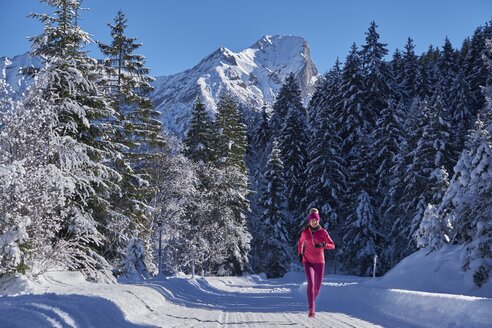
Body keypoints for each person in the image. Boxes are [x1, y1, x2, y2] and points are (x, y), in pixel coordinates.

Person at [297, 208, 335, 318]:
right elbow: (300, 243)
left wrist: (324, 245)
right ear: (310, 221)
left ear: (319, 221)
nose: (315, 222)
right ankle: (311, 309)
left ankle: (312, 301)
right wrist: (300, 253)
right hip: (307, 261)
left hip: (320, 262)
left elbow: (332, 245)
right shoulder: (305, 232)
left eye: (317, 220)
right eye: (313, 220)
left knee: (317, 288)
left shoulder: (323, 232)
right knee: (311, 283)